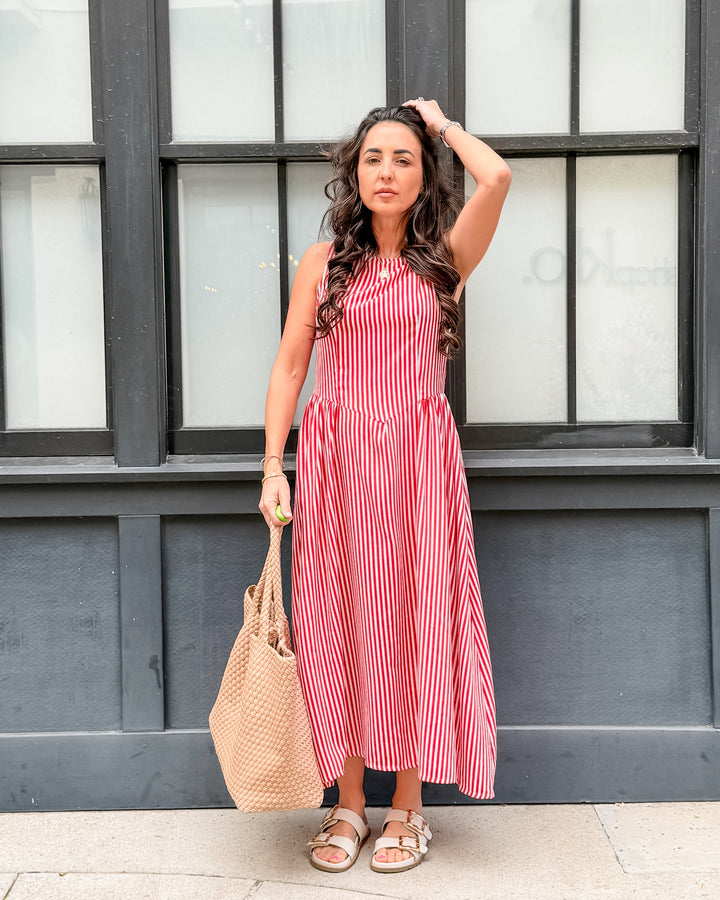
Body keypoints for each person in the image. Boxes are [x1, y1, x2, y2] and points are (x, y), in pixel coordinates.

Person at [259, 98, 511, 874]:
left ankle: (409, 806)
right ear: (353, 172)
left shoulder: (446, 259)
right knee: (339, 623)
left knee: (414, 623)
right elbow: (293, 366)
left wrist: (440, 127)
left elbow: (497, 176)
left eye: (402, 158)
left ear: (423, 171)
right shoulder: (323, 262)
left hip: (416, 464)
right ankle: (347, 802)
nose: (387, 171)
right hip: (334, 465)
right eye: (373, 158)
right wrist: (273, 465)